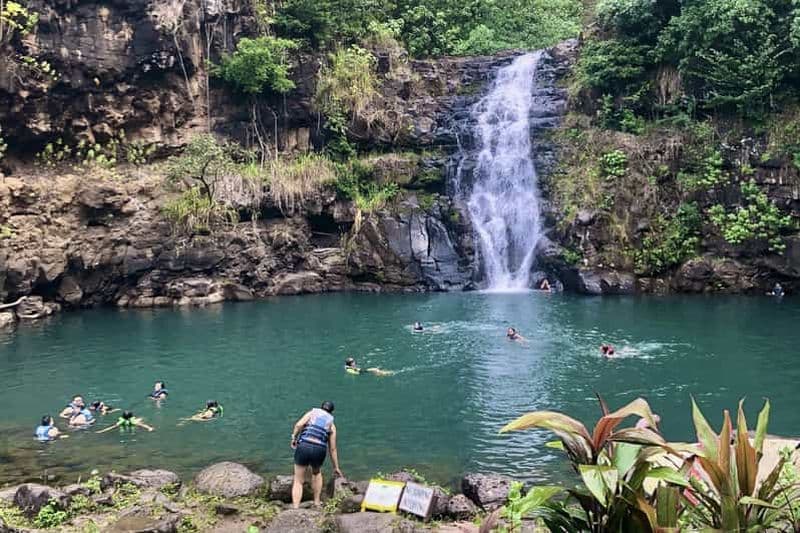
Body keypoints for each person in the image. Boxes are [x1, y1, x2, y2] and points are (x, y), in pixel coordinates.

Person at [290, 401, 343, 509]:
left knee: (298, 480)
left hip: (304, 446)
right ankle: (317, 502)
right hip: (319, 450)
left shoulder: (311, 414)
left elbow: (299, 425)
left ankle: (295, 507)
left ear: (321, 407)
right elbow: (332, 448)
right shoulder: (331, 425)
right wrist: (336, 467)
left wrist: (294, 437)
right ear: (331, 412)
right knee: (316, 473)